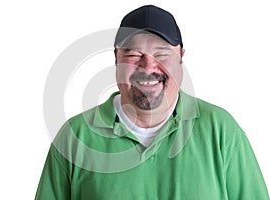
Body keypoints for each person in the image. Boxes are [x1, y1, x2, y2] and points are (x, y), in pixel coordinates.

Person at [35, 5, 269, 199]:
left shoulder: (221, 131)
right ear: (116, 59)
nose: (148, 67)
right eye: (133, 54)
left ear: (181, 58)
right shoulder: (74, 138)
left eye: (161, 53)